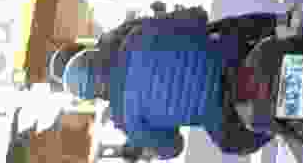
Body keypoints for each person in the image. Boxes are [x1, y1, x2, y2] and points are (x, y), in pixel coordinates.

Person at [53, 8, 266, 159]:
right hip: (231, 54)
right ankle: (281, 24)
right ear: (91, 54)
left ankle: (276, 128)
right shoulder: (136, 36)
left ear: (93, 96)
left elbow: (173, 147)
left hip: (223, 112)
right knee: (236, 26)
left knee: (234, 143)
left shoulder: (126, 120)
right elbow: (198, 17)